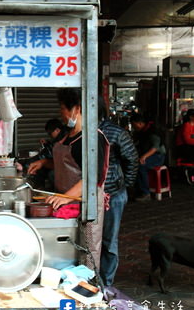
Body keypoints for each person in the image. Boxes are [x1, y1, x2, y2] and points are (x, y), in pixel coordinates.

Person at [28, 88, 109, 272]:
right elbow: (67, 164)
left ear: (77, 109)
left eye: (63, 108)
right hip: (66, 200)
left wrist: (66, 197)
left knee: (86, 251)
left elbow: (92, 177)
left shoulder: (91, 139)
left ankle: (86, 292)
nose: (61, 113)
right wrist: (44, 163)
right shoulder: (67, 134)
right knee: (66, 252)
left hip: (85, 204)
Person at [98, 99, 138, 287]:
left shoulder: (116, 132)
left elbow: (131, 159)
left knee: (108, 240)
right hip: (86, 194)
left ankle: (106, 284)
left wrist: (123, 185)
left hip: (112, 195)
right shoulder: (76, 131)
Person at [130, 113, 166, 200]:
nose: (134, 128)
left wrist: (144, 157)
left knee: (141, 166)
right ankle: (138, 189)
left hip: (158, 156)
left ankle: (145, 193)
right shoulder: (141, 132)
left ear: (140, 123)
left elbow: (155, 148)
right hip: (148, 154)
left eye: (134, 125)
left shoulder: (153, 132)